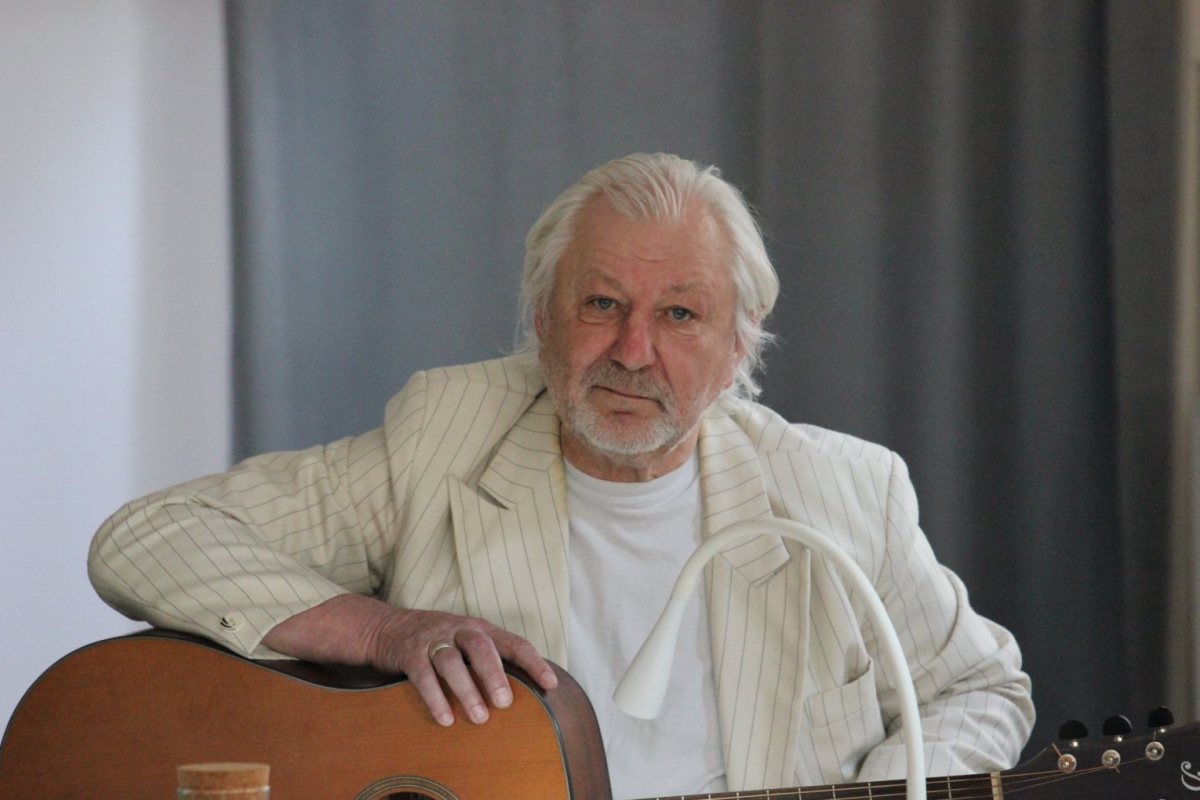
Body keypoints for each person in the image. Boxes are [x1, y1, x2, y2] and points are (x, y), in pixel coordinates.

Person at [88, 152, 1034, 798]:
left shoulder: (844, 492)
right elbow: (146, 540)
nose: (633, 350)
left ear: (741, 346)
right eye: (601, 303)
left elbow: (981, 691)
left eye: (680, 315)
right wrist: (383, 629)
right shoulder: (442, 441)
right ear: (541, 320)